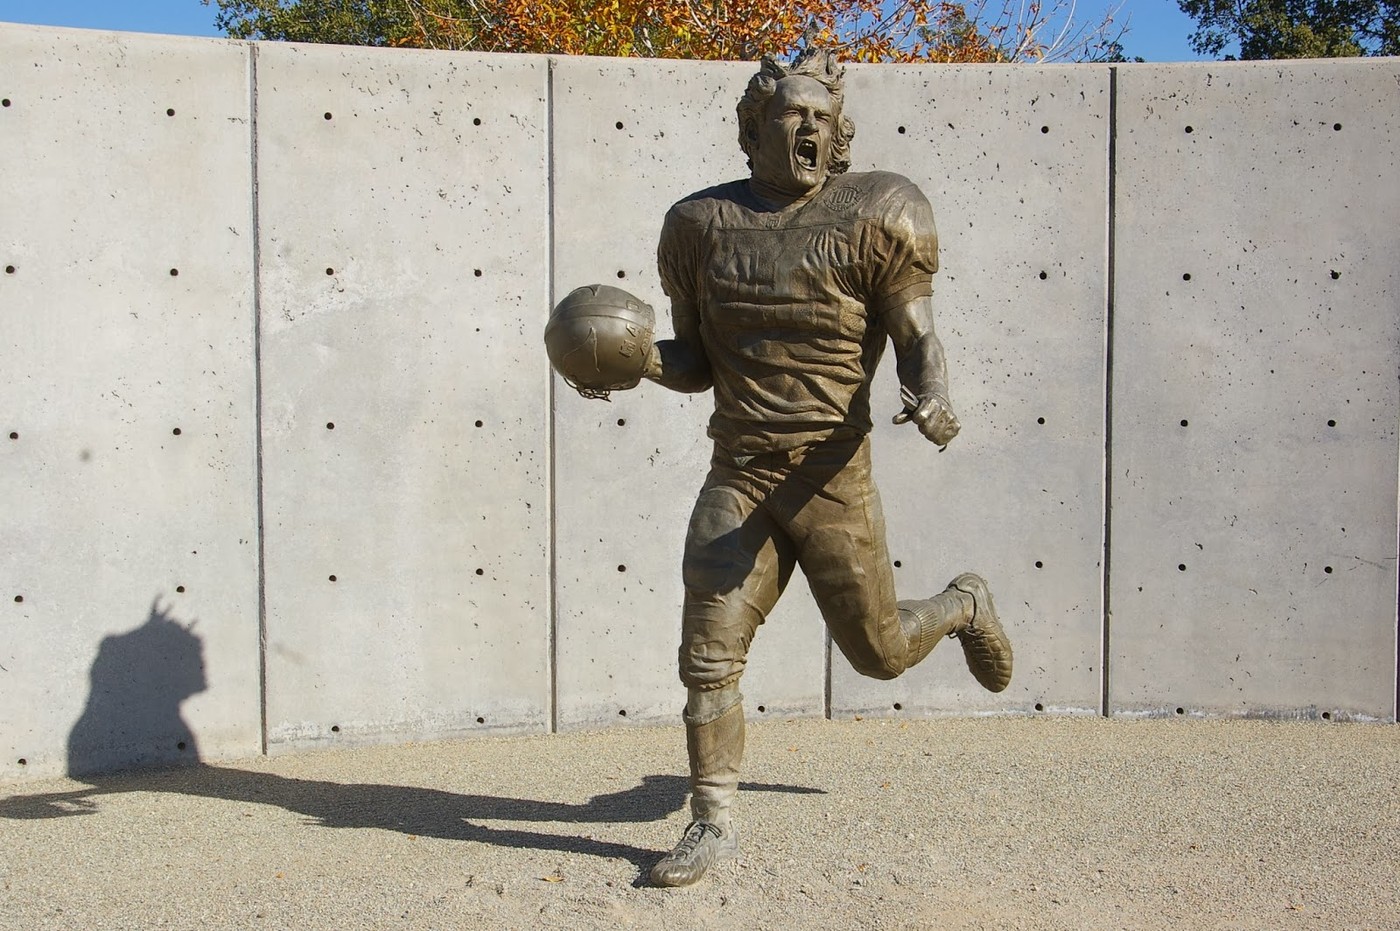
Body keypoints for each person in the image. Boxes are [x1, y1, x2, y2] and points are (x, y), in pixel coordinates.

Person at [639, 48, 1013, 888]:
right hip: (740, 472)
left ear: (838, 134)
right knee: (707, 651)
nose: (809, 128)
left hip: (832, 478)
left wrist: (933, 395)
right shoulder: (697, 226)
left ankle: (962, 603)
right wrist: (632, 361)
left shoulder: (880, 210)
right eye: (791, 116)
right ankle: (711, 820)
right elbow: (695, 359)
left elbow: (916, 337)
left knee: (878, 655)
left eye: (822, 118)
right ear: (753, 129)